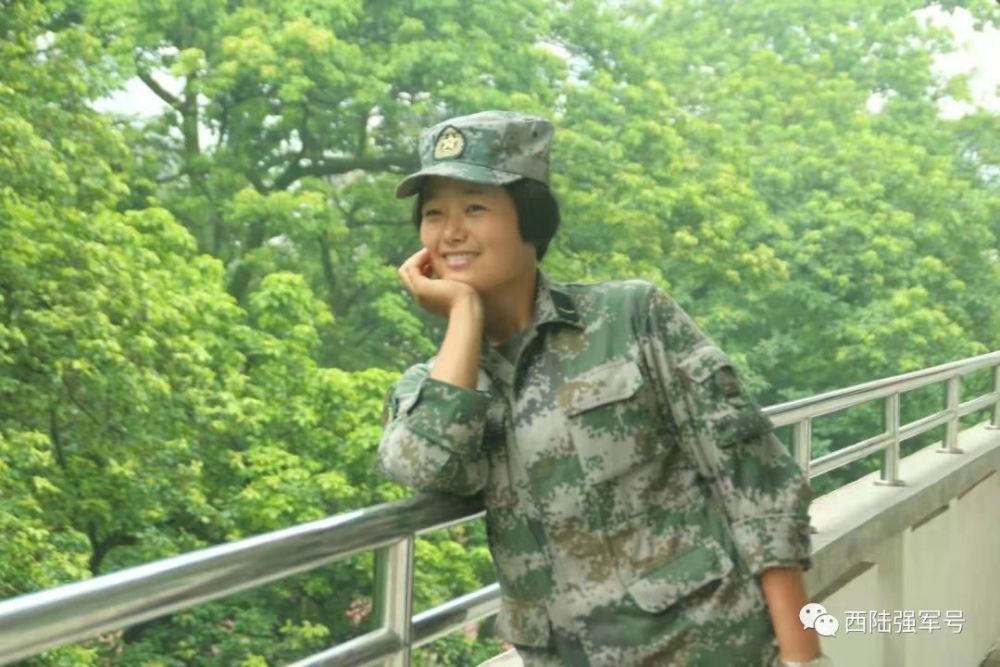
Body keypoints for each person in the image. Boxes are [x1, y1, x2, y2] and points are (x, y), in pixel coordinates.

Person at [375, 110, 832, 667]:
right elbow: (426, 468)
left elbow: (757, 484)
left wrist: (801, 657)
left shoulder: (630, 316)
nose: (450, 233)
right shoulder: (437, 384)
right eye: (433, 214)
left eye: (474, 207)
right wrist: (464, 315)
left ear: (531, 218)